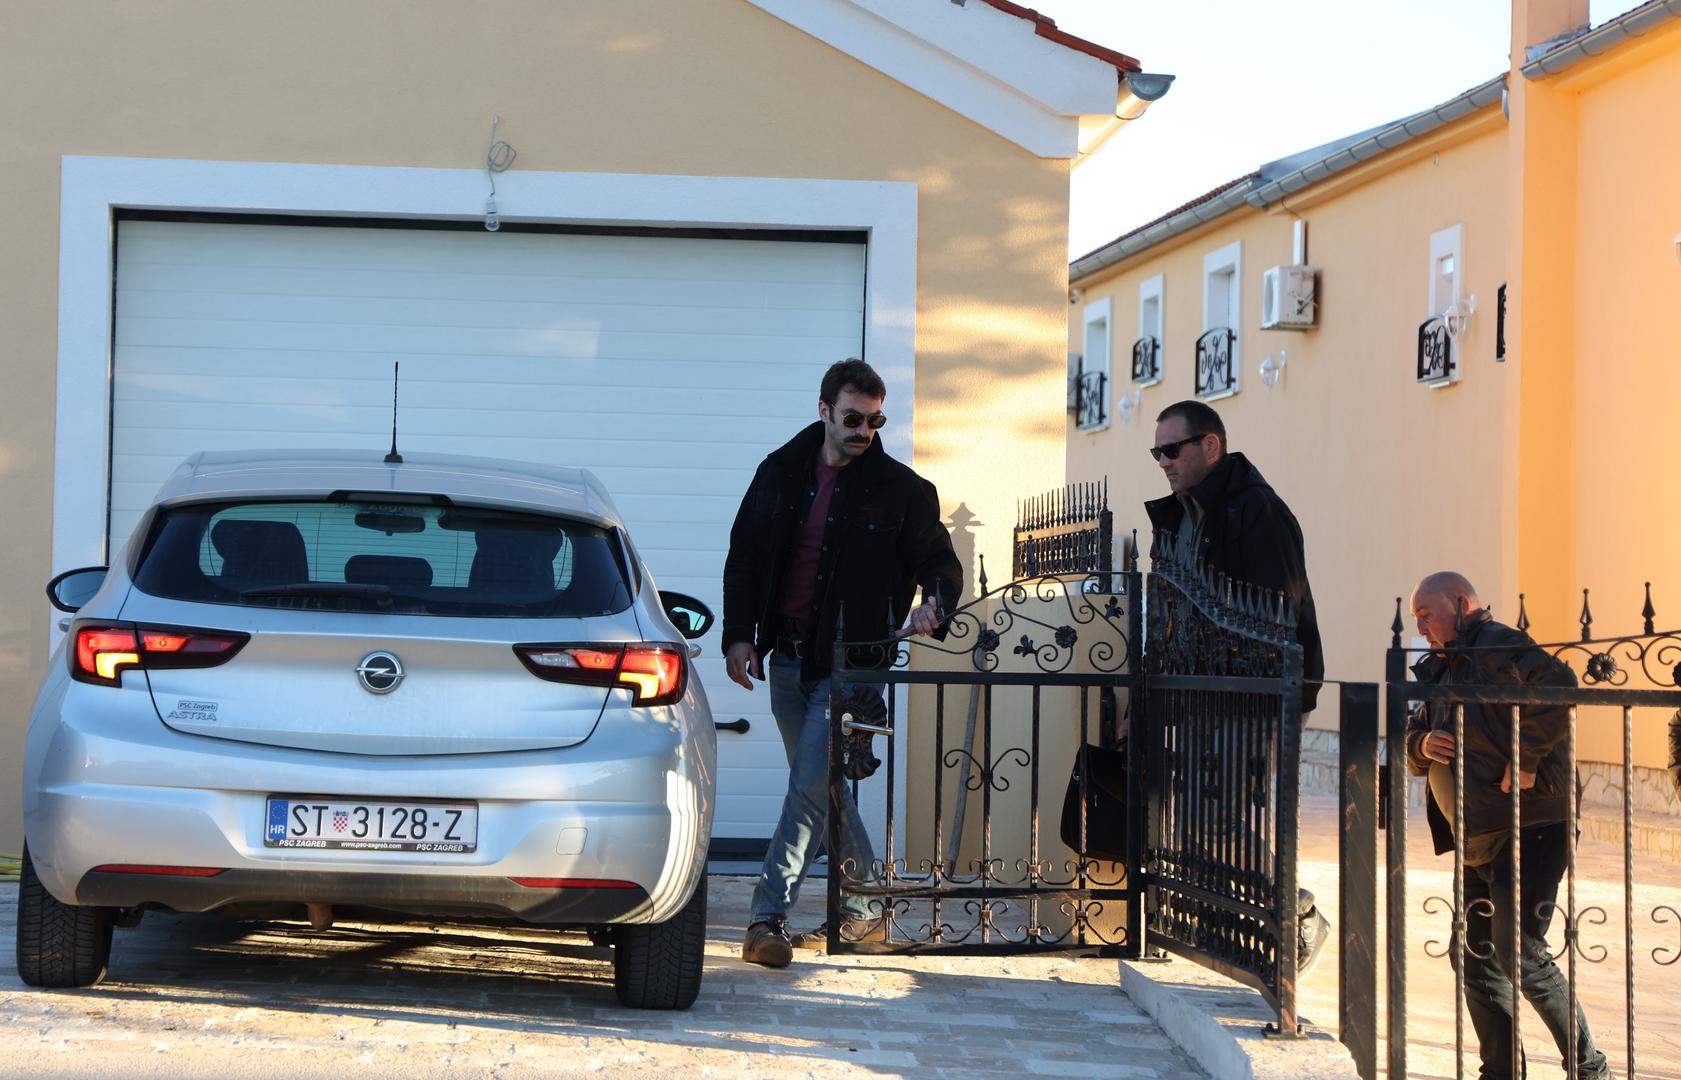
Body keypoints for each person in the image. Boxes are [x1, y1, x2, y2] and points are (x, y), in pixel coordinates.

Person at [723, 358, 962, 968]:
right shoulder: (778, 473)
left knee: (808, 785)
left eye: (876, 420)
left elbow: (940, 561)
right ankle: (869, 912)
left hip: (854, 665)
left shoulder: (904, 491)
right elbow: (745, 557)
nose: (864, 431)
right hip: (787, 657)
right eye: (853, 418)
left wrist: (936, 602)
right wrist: (739, 636)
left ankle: (765, 918)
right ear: (823, 409)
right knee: (825, 789)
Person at [1142, 399, 1332, 976]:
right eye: (1157, 453)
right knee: (1193, 822)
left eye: (1172, 450)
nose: (1164, 463)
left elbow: (1276, 612)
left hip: (1252, 692)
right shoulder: (1181, 516)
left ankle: (1295, 914)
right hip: (1199, 692)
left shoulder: (1256, 511)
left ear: (1211, 445)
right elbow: (1169, 610)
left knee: (1213, 819)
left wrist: (1270, 692)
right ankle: (1226, 926)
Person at [1405, 571, 1610, 1080]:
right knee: (1475, 956)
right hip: (1475, 834)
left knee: (1521, 952)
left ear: (1459, 602)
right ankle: (1500, 1071)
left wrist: (1525, 756)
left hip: (1530, 826)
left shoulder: (1496, 645)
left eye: (1426, 614)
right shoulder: (1445, 667)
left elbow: (1561, 687)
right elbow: (1413, 732)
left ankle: (1590, 1069)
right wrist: (1421, 746)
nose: (1421, 626)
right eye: (1415, 619)